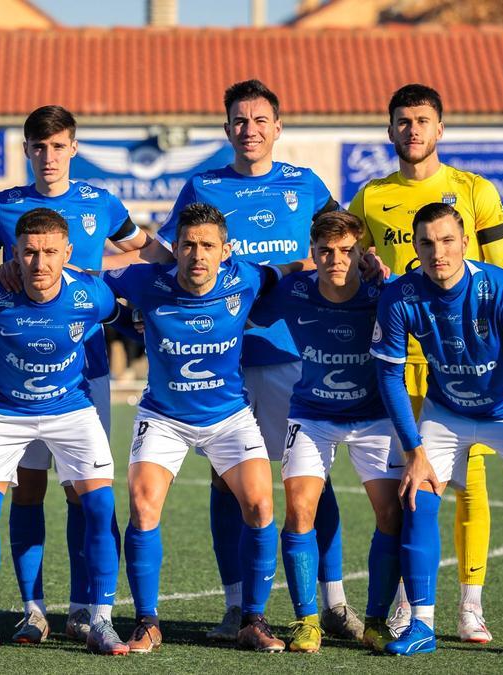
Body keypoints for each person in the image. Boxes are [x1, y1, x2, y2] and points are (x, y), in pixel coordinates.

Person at [109, 79, 362, 642]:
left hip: (293, 353)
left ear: (277, 127)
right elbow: (172, 257)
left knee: (308, 481)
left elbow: (342, 244)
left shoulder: (306, 184)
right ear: (227, 130)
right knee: (228, 487)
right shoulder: (203, 185)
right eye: (239, 121)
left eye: (259, 120)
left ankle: (332, 602)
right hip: (221, 363)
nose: (250, 130)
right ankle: (236, 607)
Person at [0, 105, 156, 642]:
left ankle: (90, 607)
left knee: (84, 493)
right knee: (28, 491)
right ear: (27, 150)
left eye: (59, 146)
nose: (49, 157)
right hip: (13, 377)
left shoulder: (99, 201)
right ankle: (33, 608)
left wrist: (185, 271)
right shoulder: (3, 207)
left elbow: (143, 250)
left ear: (73, 147)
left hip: (82, 371)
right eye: (38, 147)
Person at [350, 83, 503, 641]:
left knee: (470, 484)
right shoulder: (371, 197)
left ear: (440, 127)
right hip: (398, 362)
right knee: (412, 481)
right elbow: (342, 260)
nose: (413, 130)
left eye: (423, 120)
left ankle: (470, 605)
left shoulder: (475, 191)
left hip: (462, 365)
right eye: (403, 121)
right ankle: (408, 598)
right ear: (390, 129)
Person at [370, 203, 503, 658]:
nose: (438, 252)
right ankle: (421, 624)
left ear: (465, 242)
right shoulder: (400, 297)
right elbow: (389, 378)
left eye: (447, 240)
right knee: (417, 494)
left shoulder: (502, 289)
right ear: (414, 247)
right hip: (447, 411)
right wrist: (414, 449)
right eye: (426, 243)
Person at [102, 203, 285, 653]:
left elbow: (293, 271)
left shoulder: (247, 277)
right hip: (163, 416)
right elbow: (87, 280)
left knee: (261, 506)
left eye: (207, 245)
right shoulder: (145, 280)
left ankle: (253, 620)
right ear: (175, 249)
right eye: (187, 245)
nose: (197, 254)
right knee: (143, 507)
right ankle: (147, 621)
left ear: (226, 251)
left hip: (229, 418)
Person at [0, 208, 127, 657]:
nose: (39, 263)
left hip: (71, 408)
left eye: (50, 252)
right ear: (15, 255)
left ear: (68, 253)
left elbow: (121, 309)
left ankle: (101, 620)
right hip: (4, 411)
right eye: (29, 252)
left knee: (100, 506)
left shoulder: (91, 295)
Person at [247, 210, 404, 653]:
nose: (337, 259)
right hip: (312, 415)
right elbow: (241, 305)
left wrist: (387, 277)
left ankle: (375, 620)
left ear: (362, 254)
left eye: (347, 251)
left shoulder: (383, 293)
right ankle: (307, 621)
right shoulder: (295, 290)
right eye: (326, 251)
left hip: (374, 417)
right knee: (298, 511)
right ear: (313, 253)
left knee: (391, 515)